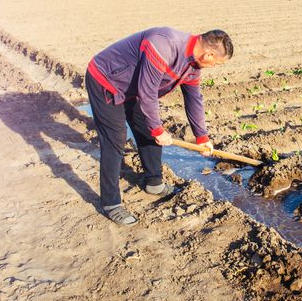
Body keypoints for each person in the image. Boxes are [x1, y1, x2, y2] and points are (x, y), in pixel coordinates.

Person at [85, 27, 233, 226]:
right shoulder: (164, 45)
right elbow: (148, 92)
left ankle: (154, 183)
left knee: (147, 130)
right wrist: (157, 129)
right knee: (115, 139)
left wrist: (202, 137)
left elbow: (193, 99)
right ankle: (110, 203)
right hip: (106, 79)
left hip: (132, 86)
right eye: (216, 63)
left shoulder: (192, 65)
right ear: (208, 54)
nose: (214, 66)